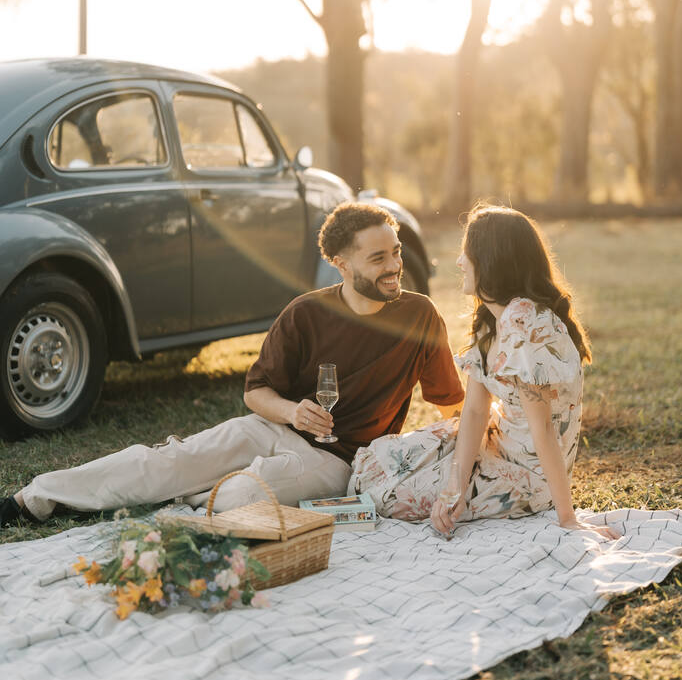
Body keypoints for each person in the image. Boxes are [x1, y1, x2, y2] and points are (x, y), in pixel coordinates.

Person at [0, 203, 464, 527]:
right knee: (169, 460)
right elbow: (255, 393)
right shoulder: (306, 313)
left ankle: (188, 493)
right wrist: (293, 412)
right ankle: (33, 499)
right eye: (378, 257)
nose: (394, 266)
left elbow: (451, 406)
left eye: (397, 251)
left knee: (244, 495)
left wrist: (463, 463)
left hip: (340, 461)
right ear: (342, 264)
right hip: (273, 429)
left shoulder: (420, 315)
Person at [348, 203, 620, 541]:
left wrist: (568, 519)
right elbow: (476, 410)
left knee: (386, 495)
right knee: (376, 463)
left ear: (492, 261)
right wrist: (455, 486)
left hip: (528, 473)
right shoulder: (492, 318)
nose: (460, 262)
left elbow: (544, 429)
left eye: (467, 253)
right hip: (495, 442)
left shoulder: (525, 323)